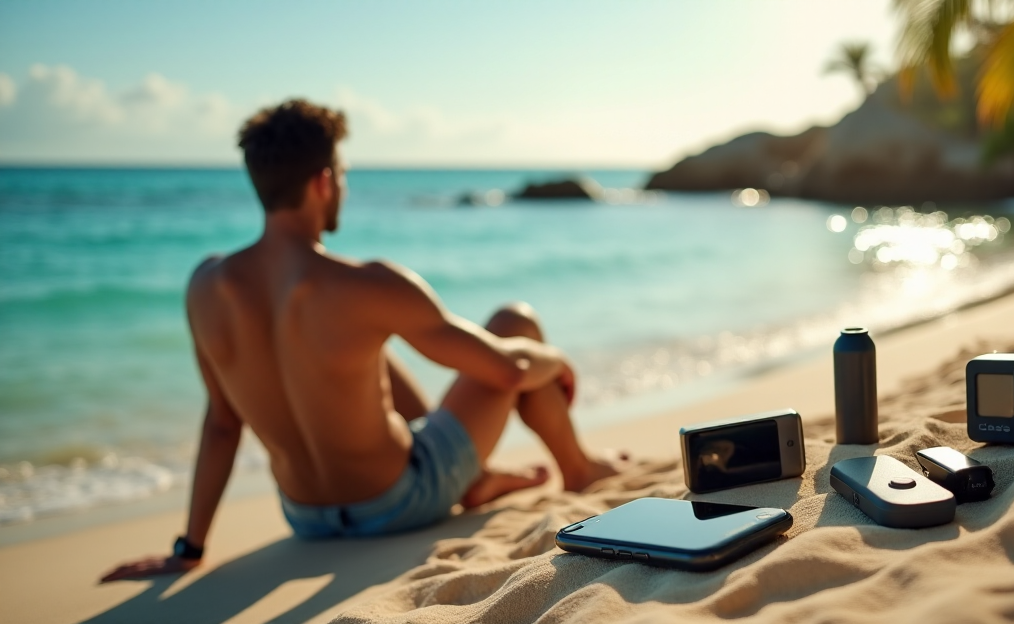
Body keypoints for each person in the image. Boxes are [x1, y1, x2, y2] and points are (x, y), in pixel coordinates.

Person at [101, 99, 624, 582]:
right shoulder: (364, 283)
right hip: (400, 498)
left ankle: (478, 479)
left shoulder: (207, 286)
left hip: (306, 516)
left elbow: (221, 422)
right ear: (324, 181)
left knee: (364, 343)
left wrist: (188, 548)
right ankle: (577, 468)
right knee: (515, 323)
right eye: (344, 174)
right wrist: (555, 361)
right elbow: (507, 370)